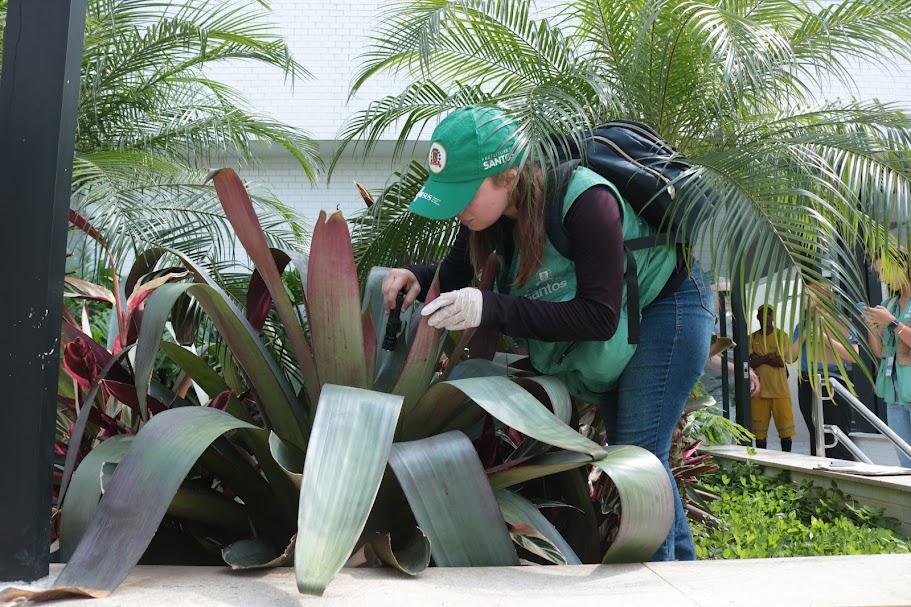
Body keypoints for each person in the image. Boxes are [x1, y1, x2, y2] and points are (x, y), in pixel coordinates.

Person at [382, 106, 714, 561]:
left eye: (463, 193)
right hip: (625, 319)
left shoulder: (586, 200)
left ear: (509, 176)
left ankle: (654, 590)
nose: (456, 208)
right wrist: (419, 279)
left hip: (667, 310)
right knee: (641, 457)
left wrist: (490, 307)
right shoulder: (487, 219)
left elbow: (597, 317)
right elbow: (456, 274)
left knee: (639, 463)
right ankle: (682, 580)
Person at [794, 286, 858, 460]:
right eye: (805, 294)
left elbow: (853, 355)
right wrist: (804, 335)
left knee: (835, 434)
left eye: (811, 294)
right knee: (816, 433)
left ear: (827, 298)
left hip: (833, 380)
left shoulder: (840, 323)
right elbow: (789, 356)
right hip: (807, 381)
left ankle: (842, 474)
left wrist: (823, 337)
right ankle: (820, 475)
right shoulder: (802, 325)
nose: (807, 298)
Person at [864, 256, 911, 468]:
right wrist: (872, 326)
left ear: (904, 266)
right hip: (894, 394)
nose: (883, 278)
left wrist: (891, 322)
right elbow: (880, 351)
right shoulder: (888, 304)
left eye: (884, 271)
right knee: (905, 461)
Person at [748, 304, 798, 451]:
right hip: (758, 392)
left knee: (786, 433)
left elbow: (781, 361)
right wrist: (770, 356)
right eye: (762, 314)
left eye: (769, 314)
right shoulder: (752, 337)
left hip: (780, 391)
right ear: (758, 317)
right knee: (759, 434)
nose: (766, 317)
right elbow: (750, 362)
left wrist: (761, 358)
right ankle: (762, 464)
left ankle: (787, 464)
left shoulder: (783, 336)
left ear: (773, 316)